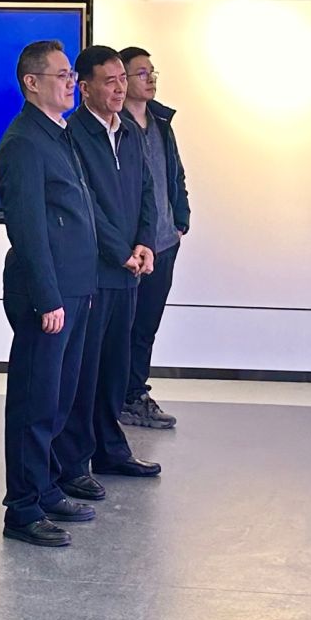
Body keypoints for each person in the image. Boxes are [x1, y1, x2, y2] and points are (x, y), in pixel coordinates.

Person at [0, 39, 99, 548]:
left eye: (71, 75)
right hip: (47, 294)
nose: (71, 83)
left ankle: (47, 486)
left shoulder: (58, 134)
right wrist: (48, 297)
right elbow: (29, 229)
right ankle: (22, 508)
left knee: (58, 400)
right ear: (31, 83)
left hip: (75, 288)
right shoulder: (24, 142)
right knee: (34, 404)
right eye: (61, 75)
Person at [56, 46, 163, 494]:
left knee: (116, 366)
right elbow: (85, 203)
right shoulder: (73, 135)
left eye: (123, 79)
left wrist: (145, 242)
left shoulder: (131, 132)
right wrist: (120, 250)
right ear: (84, 88)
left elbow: (147, 191)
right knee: (85, 370)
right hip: (93, 272)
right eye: (110, 81)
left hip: (128, 271)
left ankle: (110, 449)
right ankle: (74, 460)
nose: (120, 88)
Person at [119, 46, 190, 430]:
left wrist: (181, 220)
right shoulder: (114, 125)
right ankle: (117, 396)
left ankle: (135, 394)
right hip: (131, 247)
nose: (150, 79)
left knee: (146, 325)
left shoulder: (162, 122)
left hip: (164, 242)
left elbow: (175, 174)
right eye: (141, 73)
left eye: (152, 72)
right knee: (122, 326)